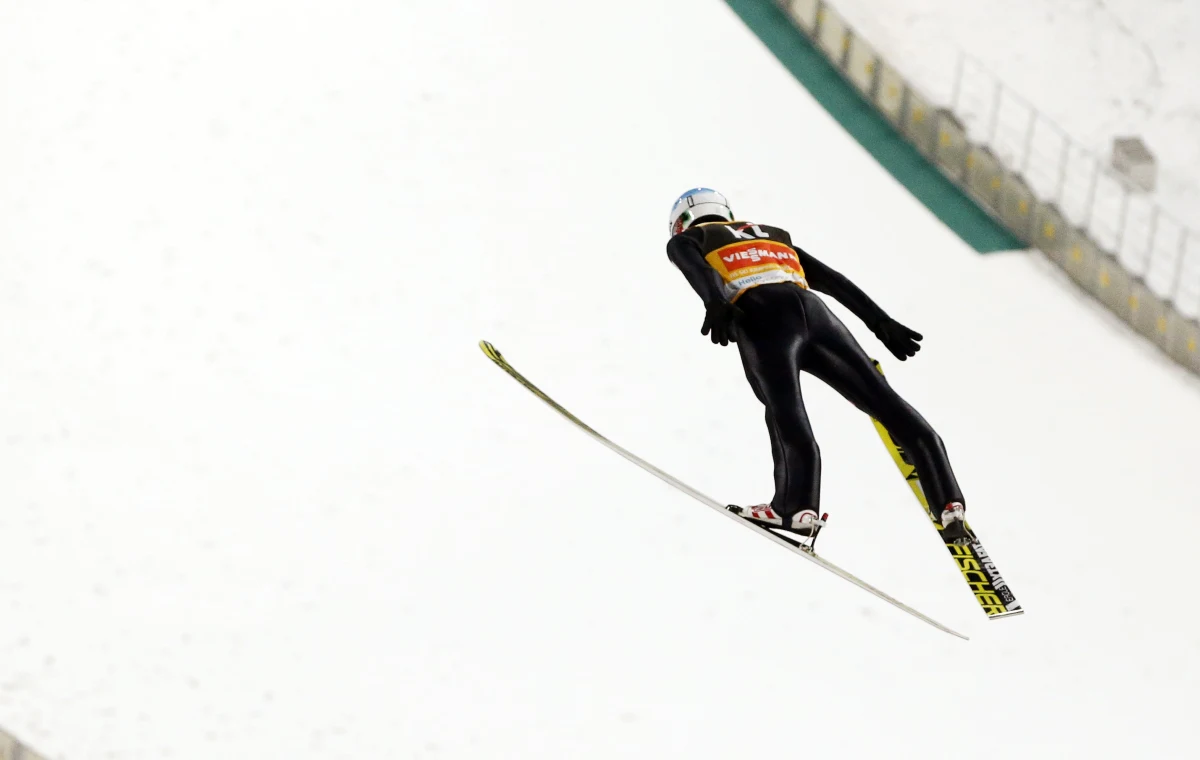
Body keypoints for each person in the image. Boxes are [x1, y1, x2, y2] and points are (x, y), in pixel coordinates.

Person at [665, 187, 969, 544]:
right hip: (816, 312)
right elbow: (833, 280)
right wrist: (880, 322)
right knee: (884, 401)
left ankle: (797, 508)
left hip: (762, 314)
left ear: (681, 223)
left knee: (784, 410)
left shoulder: (689, 239)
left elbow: (698, 268)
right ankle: (949, 501)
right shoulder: (772, 236)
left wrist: (715, 301)